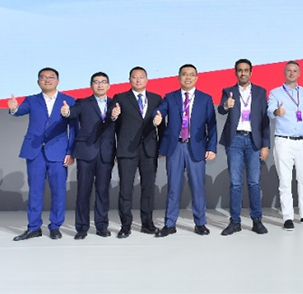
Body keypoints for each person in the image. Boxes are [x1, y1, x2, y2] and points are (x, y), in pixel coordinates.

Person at [8, 68, 76, 241]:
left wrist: (70, 151)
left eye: (51, 77)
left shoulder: (69, 100)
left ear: (58, 81)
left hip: (58, 152)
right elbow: (20, 110)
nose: (47, 80)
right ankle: (33, 227)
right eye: (43, 77)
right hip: (35, 151)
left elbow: (74, 128)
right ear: (38, 81)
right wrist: (14, 109)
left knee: (58, 191)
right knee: (35, 191)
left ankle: (55, 227)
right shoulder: (31, 100)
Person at [152, 64, 217, 237]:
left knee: (198, 187)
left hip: (196, 147)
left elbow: (212, 125)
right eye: (184, 74)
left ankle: (200, 223)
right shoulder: (170, 97)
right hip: (175, 147)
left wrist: (211, 147)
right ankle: (169, 224)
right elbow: (160, 110)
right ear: (178, 77)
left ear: (196, 77)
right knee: (173, 187)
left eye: (191, 74)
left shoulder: (205, 98)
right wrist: (157, 116)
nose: (188, 77)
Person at [217, 59, 270, 236]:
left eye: (246, 70)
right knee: (235, 183)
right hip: (235, 141)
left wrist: (265, 145)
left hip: (254, 141)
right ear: (235, 73)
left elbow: (265, 120)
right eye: (240, 70)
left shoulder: (261, 92)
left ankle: (257, 221)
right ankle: (235, 222)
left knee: (254, 183)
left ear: (251, 73)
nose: (243, 73)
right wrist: (226, 105)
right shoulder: (228, 91)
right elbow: (221, 110)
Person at [268, 61, 303, 231]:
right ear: (284, 73)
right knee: (285, 181)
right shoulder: (275, 93)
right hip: (283, 141)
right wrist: (277, 112)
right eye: (289, 71)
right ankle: (288, 217)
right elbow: (269, 111)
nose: (291, 73)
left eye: (295, 71)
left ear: (299, 74)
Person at [61, 72, 116, 239]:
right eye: (96, 82)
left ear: (108, 85)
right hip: (86, 152)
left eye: (103, 82)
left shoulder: (115, 104)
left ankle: (101, 226)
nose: (100, 85)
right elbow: (72, 113)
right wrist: (66, 112)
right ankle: (81, 228)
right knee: (83, 191)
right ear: (91, 85)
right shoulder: (83, 103)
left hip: (106, 153)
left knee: (103, 191)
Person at [111, 66, 163, 238]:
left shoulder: (156, 98)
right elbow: (113, 124)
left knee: (148, 188)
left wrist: (161, 147)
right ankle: (125, 225)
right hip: (126, 150)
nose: (138, 80)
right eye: (135, 77)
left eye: (141, 77)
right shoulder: (120, 98)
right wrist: (113, 116)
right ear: (130, 80)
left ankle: (147, 223)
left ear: (147, 79)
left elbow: (162, 125)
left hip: (149, 149)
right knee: (125, 189)